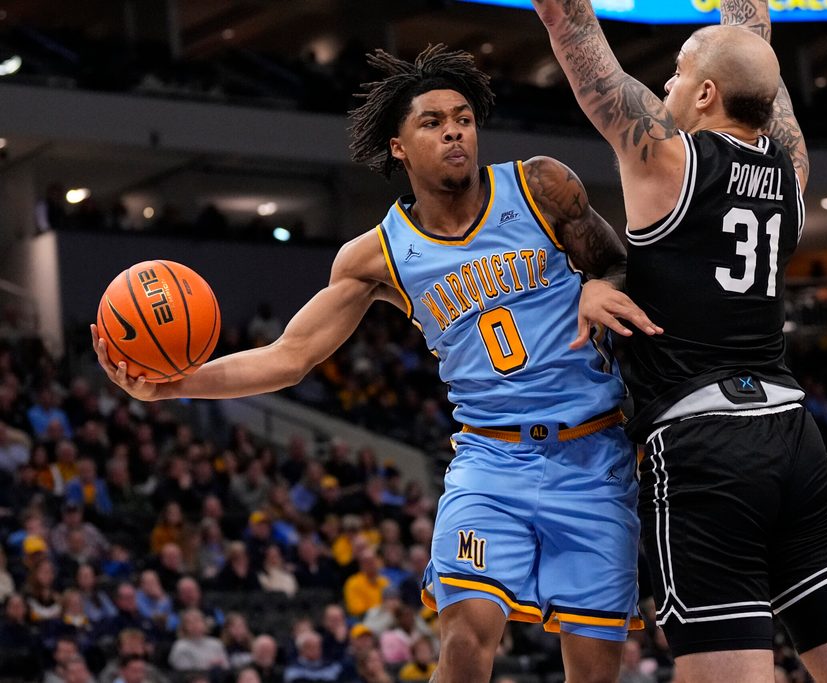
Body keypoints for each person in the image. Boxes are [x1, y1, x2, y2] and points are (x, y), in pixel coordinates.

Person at [93, 43, 658, 682]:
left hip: (596, 457)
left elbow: (623, 264)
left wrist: (600, 282)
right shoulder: (376, 256)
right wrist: (173, 389)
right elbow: (290, 357)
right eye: (433, 122)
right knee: (465, 637)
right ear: (398, 147)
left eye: (463, 118)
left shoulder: (541, 187)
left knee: (595, 669)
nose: (454, 132)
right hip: (491, 463)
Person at [531, 1, 827, 681]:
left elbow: (570, 23)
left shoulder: (667, 159)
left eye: (674, 73)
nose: (663, 89)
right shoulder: (792, 173)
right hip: (794, 439)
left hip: (706, 446)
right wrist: (743, 23)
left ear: (704, 93)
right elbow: (752, 47)